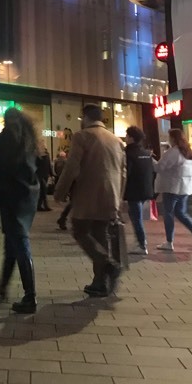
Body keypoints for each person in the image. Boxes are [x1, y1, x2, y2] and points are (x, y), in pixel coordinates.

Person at [54, 104, 126, 297]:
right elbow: (123, 173)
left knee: (79, 230)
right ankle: (100, 282)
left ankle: (108, 264)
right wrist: (118, 199)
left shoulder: (82, 136)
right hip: (111, 196)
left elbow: (71, 167)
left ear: (85, 117)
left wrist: (59, 192)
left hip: (89, 194)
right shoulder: (116, 140)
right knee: (100, 235)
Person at [0, 107, 40, 313]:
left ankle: (30, 296)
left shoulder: (4, 138)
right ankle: (3, 285)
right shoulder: (29, 139)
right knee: (12, 240)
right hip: (28, 195)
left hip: (11, 194)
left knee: (19, 242)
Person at [154, 128, 192, 252]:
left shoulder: (173, 152)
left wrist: (150, 159)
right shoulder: (188, 152)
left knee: (168, 213)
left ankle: (169, 242)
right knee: (181, 213)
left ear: (173, 138)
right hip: (185, 188)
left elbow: (159, 167)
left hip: (172, 187)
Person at [123, 126, 155, 255]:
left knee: (137, 217)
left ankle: (142, 244)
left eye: (127, 136)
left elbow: (126, 173)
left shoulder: (128, 153)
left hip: (133, 190)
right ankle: (140, 241)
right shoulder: (146, 153)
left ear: (131, 138)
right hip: (145, 189)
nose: (125, 138)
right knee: (135, 215)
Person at [36, 142, 53, 211]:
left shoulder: (47, 155)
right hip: (40, 175)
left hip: (45, 175)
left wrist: (51, 174)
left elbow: (49, 165)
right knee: (43, 190)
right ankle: (44, 205)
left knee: (43, 191)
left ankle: (40, 205)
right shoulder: (37, 155)